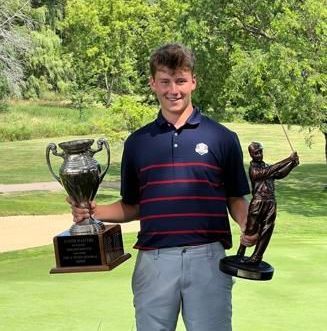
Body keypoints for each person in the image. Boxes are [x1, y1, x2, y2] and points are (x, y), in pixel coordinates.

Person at [69, 43, 257, 331]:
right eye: (165, 81)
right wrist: (93, 211)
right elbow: (133, 206)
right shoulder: (137, 143)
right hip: (154, 262)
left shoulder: (222, 137)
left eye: (181, 80)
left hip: (207, 258)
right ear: (152, 83)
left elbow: (235, 197)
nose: (174, 90)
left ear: (193, 81)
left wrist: (247, 223)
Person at [237, 142, 299, 264]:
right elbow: (268, 171)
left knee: (267, 229)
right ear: (251, 154)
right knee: (250, 228)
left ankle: (257, 256)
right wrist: (288, 159)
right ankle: (241, 251)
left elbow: (278, 174)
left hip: (270, 201)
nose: (259, 155)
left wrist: (292, 164)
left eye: (260, 151)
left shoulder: (265, 166)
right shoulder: (253, 169)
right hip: (258, 201)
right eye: (256, 153)